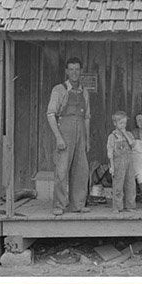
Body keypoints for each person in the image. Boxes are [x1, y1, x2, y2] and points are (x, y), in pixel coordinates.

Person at [46, 56, 91, 216]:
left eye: (77, 69)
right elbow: (51, 114)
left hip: (81, 132)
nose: (74, 73)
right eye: (71, 69)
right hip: (65, 131)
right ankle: (59, 204)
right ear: (66, 71)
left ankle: (77, 204)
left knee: (81, 170)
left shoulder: (84, 91)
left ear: (81, 71)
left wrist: (86, 139)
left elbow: (86, 117)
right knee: (62, 169)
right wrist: (58, 137)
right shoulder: (59, 89)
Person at [106, 111, 137, 213]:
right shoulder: (112, 137)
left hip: (129, 161)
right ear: (115, 123)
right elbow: (110, 152)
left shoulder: (129, 134)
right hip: (118, 162)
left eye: (124, 123)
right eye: (120, 123)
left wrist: (124, 133)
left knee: (130, 183)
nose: (123, 125)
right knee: (118, 184)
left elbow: (133, 145)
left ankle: (130, 205)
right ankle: (117, 206)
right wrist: (112, 166)